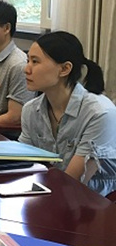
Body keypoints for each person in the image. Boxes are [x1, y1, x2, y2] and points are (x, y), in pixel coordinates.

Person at [19, 31, 116, 196]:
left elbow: (73, 181)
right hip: (48, 192)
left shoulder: (100, 113)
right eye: (28, 60)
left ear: (64, 69)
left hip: (93, 202)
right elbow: (22, 162)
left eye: (35, 62)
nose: (26, 69)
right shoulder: (31, 110)